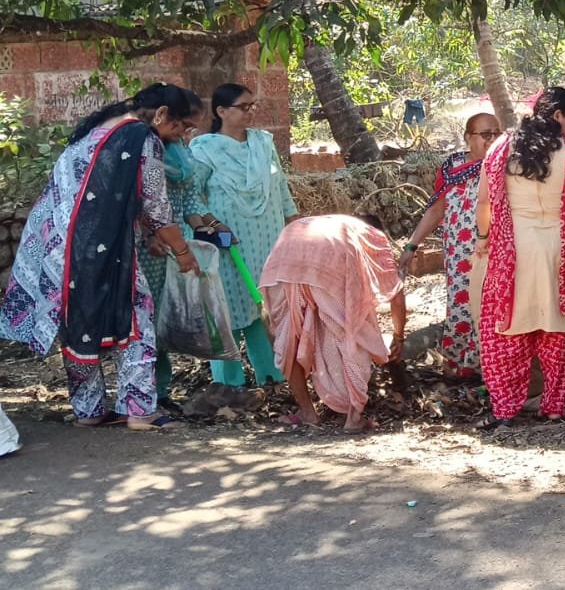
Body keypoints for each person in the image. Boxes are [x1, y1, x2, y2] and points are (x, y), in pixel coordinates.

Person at [0, 82, 203, 430]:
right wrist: (183, 251)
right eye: (181, 125)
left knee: (77, 320)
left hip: (53, 245)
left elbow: (108, 193)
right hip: (95, 247)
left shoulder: (95, 132)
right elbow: (155, 204)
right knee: (137, 316)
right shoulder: (142, 137)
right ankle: (140, 410)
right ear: (162, 114)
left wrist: (144, 234)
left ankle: (89, 410)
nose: (183, 134)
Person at [474, 88, 565, 430]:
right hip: (558, 252)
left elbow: (484, 202)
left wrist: (483, 239)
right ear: (558, 115)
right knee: (554, 332)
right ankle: (554, 407)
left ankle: (505, 410)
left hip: (512, 254)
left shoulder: (501, 147)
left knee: (508, 332)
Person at [257, 213, 406, 433]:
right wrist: (399, 336)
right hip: (326, 260)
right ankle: (354, 417)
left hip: (283, 263)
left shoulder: (333, 223)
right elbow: (397, 293)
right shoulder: (373, 237)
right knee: (351, 332)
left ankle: (308, 413)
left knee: (289, 340)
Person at [189, 82, 293, 388]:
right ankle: (228, 387)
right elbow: (192, 196)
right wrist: (206, 227)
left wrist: (292, 224)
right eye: (243, 107)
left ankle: (272, 379)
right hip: (226, 243)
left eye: (253, 106)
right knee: (228, 310)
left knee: (265, 308)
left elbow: (281, 186)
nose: (250, 112)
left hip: (268, 238)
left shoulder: (263, 142)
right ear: (221, 111)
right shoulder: (204, 149)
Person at [399, 112, 501, 378]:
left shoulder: (504, 168)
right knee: (460, 307)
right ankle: (461, 368)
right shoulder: (452, 166)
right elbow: (436, 211)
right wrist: (411, 247)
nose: (491, 140)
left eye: (496, 134)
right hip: (457, 256)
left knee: (489, 308)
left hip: (492, 253)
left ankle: (491, 370)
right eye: (485, 135)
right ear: (469, 138)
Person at [136, 122, 226, 411]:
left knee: (167, 319)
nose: (185, 131)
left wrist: (202, 233)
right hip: (148, 251)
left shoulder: (184, 160)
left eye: (188, 126)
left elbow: (190, 205)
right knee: (145, 323)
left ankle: (160, 391)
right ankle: (141, 393)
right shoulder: (144, 155)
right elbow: (138, 205)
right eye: (181, 124)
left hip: (177, 251)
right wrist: (151, 235)